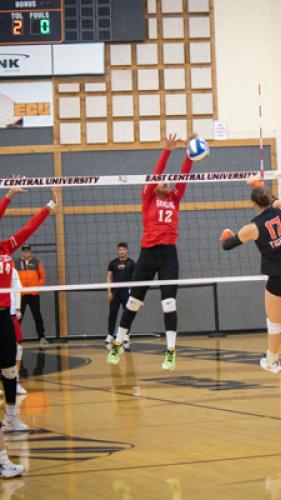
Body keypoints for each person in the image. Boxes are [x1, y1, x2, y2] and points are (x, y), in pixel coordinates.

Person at [107, 133, 196, 370]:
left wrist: (190, 151)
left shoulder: (175, 198)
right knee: (134, 301)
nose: (166, 182)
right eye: (162, 181)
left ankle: (170, 350)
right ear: (155, 185)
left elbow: (184, 176)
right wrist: (167, 151)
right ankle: (117, 342)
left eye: (168, 181)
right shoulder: (148, 197)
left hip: (168, 254)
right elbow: (156, 174)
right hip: (147, 253)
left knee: (169, 303)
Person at [220, 185, 281, 374]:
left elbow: (227, 245)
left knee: (274, 323)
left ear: (253, 204)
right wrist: (259, 186)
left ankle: (272, 361)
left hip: (278, 276)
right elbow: (276, 201)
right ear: (269, 198)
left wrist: (224, 236)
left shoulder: (253, 228)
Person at [0, 190, 57, 433]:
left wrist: (49, 207)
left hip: (3, 314)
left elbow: (29, 228)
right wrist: (9, 196)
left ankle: (12, 416)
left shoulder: (5, 247)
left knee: (10, 368)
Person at [15, 244, 48, 345]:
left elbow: (42, 276)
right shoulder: (15, 263)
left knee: (37, 316)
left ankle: (42, 337)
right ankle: (16, 339)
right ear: (21, 252)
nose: (26, 253)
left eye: (28, 251)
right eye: (24, 251)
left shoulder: (37, 262)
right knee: (18, 317)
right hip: (21, 295)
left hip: (33, 294)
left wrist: (37, 287)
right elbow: (12, 278)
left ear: (30, 252)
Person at [105, 242, 135, 348]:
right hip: (115, 291)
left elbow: (135, 278)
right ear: (117, 251)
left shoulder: (131, 263)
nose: (121, 251)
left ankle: (126, 335)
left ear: (127, 250)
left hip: (127, 292)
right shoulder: (113, 263)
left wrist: (133, 292)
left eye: (123, 249)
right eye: (120, 250)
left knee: (127, 314)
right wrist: (109, 291)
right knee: (112, 313)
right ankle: (110, 335)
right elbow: (109, 276)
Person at [10, 267, 27, 395]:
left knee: (18, 348)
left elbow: (18, 288)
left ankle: (16, 382)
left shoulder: (12, 270)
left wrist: (17, 308)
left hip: (9, 314)